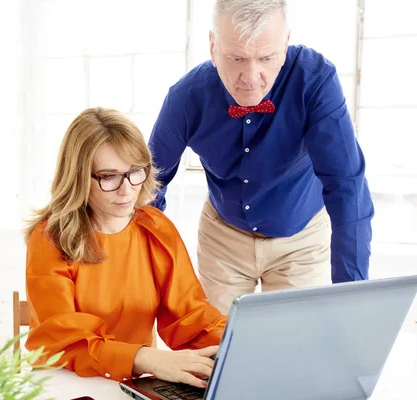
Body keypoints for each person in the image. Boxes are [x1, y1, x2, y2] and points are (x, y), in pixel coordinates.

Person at [148, 0, 374, 314]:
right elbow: (148, 185)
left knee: (291, 351)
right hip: (223, 237)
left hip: (300, 239)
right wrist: (146, 271)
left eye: (266, 58)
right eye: (236, 58)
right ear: (213, 46)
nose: (251, 77)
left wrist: (352, 295)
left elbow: (346, 185)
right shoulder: (186, 97)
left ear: (285, 44)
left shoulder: (315, 81)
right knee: (216, 350)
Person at [24, 107, 227, 388]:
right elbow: (64, 342)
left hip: (133, 380)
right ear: (79, 177)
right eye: (109, 177)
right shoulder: (50, 237)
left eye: (135, 172)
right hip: (67, 381)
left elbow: (190, 318)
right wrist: (146, 358)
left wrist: (237, 342)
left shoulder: (156, 228)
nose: (127, 189)